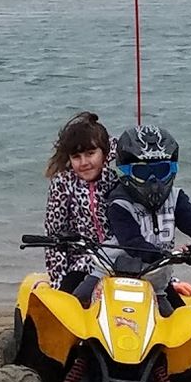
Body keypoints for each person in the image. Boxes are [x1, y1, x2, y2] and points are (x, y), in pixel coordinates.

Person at [74, 124, 191, 311]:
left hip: (155, 281)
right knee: (78, 302)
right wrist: (163, 255)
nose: (153, 179)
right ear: (126, 171)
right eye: (143, 172)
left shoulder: (175, 198)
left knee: (174, 320)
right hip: (110, 274)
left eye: (161, 171)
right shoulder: (119, 204)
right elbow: (131, 241)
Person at [43, 111, 117, 292]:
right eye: (76, 157)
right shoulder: (63, 184)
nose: (84, 162)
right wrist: (57, 282)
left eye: (91, 153)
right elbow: (54, 237)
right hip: (83, 265)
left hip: (121, 264)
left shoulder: (116, 177)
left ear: (104, 153)